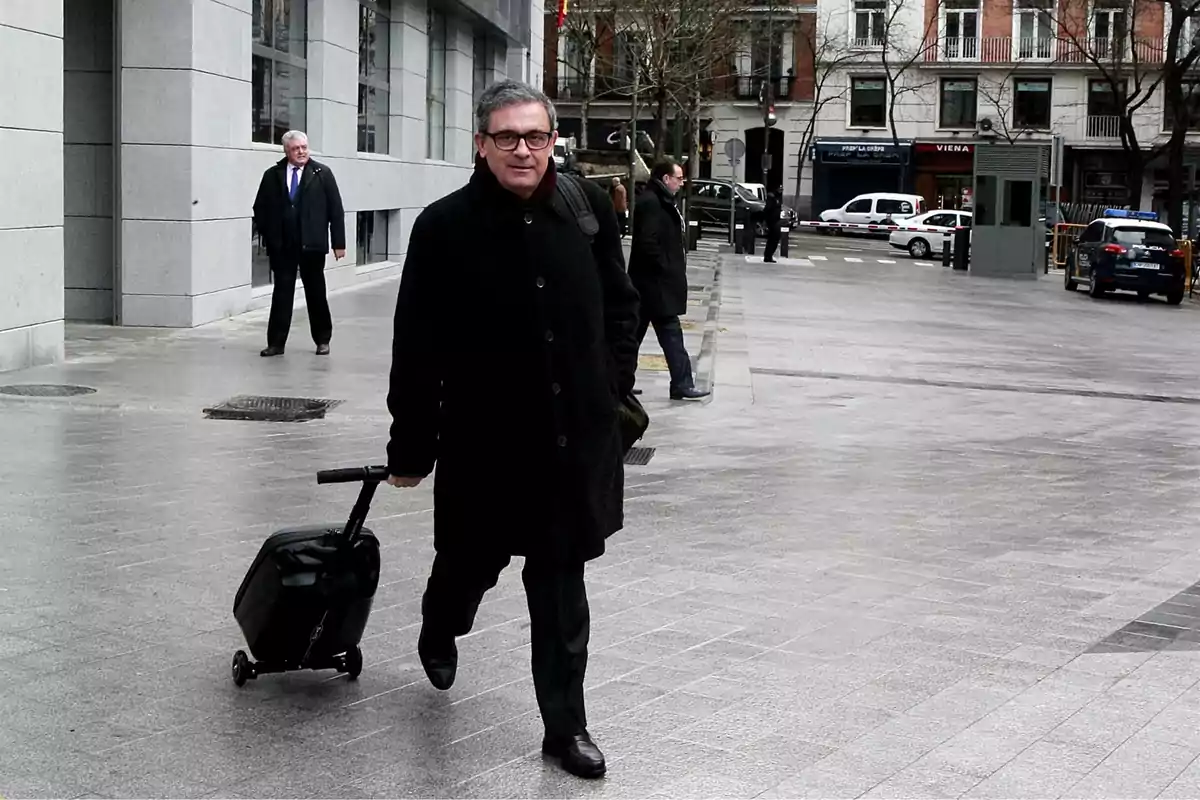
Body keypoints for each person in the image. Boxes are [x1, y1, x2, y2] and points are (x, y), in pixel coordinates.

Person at [384, 80, 640, 780]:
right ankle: (442, 624)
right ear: (481, 145)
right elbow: (417, 347)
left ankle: (567, 729)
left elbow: (622, 307)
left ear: (553, 141)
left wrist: (615, 388)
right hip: (486, 448)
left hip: (570, 443)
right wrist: (411, 448)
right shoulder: (443, 227)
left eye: (535, 137)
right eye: (507, 137)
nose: (523, 149)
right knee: (469, 565)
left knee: (561, 594)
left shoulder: (586, 208)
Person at [251, 130, 346, 357]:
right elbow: (259, 209)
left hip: (311, 245)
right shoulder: (272, 175)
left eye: (304, 147)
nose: (301, 152)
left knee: (316, 293)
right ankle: (276, 343)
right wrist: (270, 237)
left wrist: (339, 243)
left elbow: (336, 210)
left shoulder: (322, 173)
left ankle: (323, 340)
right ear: (287, 151)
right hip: (283, 247)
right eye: (296, 148)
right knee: (282, 294)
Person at [628, 159, 709, 401]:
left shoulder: (658, 201)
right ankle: (682, 384)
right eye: (679, 178)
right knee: (670, 334)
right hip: (654, 284)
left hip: (650, 284)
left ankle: (619, 381)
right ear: (666, 179)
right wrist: (665, 268)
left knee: (631, 336)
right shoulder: (653, 203)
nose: (681, 183)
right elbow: (647, 242)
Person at [762, 190, 783, 263]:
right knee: (773, 239)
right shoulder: (771, 198)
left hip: (775, 221)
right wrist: (766, 222)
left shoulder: (777, 198)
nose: (781, 190)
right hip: (772, 222)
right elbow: (767, 209)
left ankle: (768, 255)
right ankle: (768, 256)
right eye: (780, 188)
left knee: (774, 239)